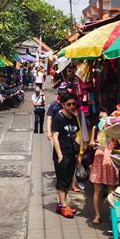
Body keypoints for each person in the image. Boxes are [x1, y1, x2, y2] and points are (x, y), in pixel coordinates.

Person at [51, 90, 82, 218]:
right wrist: (60, 156)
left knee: (68, 180)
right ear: (63, 104)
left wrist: (78, 152)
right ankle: (63, 206)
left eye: (73, 104)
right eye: (68, 104)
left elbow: (76, 135)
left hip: (71, 153)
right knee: (62, 180)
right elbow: (55, 137)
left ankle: (62, 204)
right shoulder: (58, 118)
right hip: (62, 154)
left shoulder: (74, 118)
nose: (71, 106)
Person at [88, 110, 119, 224]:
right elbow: (91, 142)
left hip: (111, 161)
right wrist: (93, 143)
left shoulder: (114, 130)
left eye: (105, 117)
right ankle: (97, 215)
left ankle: (113, 215)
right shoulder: (96, 128)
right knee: (97, 190)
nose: (103, 120)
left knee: (111, 191)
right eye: (101, 117)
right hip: (99, 159)